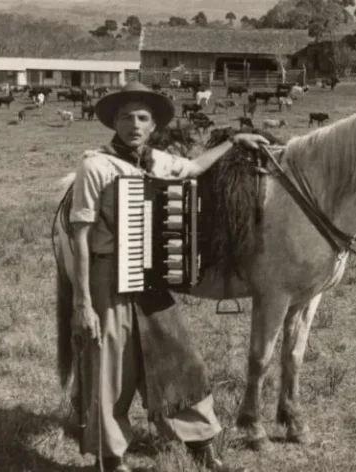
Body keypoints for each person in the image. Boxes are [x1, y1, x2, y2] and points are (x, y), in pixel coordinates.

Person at [69, 81, 268, 472]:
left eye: (143, 118)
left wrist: (234, 141)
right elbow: (80, 235)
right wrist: (83, 303)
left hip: (150, 274)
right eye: (126, 117)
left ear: (154, 125)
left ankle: (202, 447)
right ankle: (111, 458)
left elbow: (193, 168)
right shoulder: (95, 165)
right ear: (114, 122)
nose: (134, 125)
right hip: (108, 275)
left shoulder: (158, 161)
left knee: (179, 358)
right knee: (111, 368)